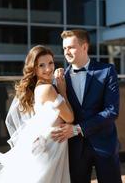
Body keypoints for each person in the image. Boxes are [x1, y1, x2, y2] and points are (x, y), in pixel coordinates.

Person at [0, 45, 74, 183]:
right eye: (41, 65)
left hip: (50, 144)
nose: (48, 69)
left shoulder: (39, 86)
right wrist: (63, 91)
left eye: (51, 63)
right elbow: (70, 118)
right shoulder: (48, 89)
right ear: (34, 69)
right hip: (51, 147)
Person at [52, 29, 122, 183]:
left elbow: (112, 111)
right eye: (64, 48)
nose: (66, 52)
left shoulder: (107, 71)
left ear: (84, 47)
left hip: (104, 145)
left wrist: (78, 129)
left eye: (71, 47)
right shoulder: (60, 79)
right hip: (75, 150)